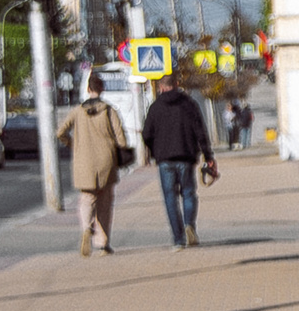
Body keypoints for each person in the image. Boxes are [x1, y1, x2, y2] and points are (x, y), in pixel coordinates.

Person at [56, 72, 129, 258]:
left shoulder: (76, 111)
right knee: (105, 202)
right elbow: (121, 137)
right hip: (106, 159)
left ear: (88, 89)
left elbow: (60, 132)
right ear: (102, 89)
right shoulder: (109, 110)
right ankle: (103, 243)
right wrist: (123, 152)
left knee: (87, 197)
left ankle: (86, 227)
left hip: (84, 160)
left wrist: (73, 145)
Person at [142, 81, 218, 247]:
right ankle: (189, 224)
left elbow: (147, 133)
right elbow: (200, 131)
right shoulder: (188, 104)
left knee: (170, 198)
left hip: (165, 160)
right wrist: (208, 155)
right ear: (176, 84)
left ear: (161, 87)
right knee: (189, 193)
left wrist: (155, 152)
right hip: (186, 156)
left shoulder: (155, 107)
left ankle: (178, 239)